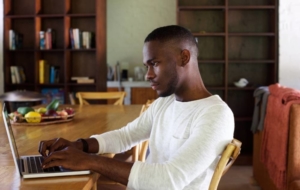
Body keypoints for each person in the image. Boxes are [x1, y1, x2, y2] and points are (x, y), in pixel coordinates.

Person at [39, 25, 234, 190]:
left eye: (154, 64)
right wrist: (78, 145)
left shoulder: (215, 114)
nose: (148, 74)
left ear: (184, 57)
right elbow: (126, 136)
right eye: (146, 66)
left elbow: (168, 181)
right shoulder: (165, 103)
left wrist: (89, 160)